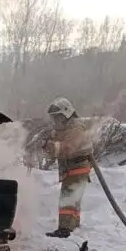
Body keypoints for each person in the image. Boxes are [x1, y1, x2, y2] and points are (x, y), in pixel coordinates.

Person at [42, 97, 94, 238]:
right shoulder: (66, 127)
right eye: (54, 117)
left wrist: (52, 146)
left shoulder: (76, 127)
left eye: (57, 117)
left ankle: (64, 229)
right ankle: (72, 227)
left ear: (66, 113)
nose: (55, 120)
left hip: (77, 167)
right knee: (73, 198)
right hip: (73, 168)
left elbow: (69, 147)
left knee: (68, 198)